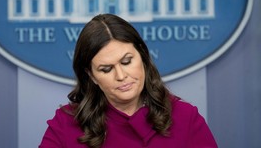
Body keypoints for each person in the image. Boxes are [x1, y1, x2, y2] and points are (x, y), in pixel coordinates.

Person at [39, 14, 218, 148]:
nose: (121, 75)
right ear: (91, 75)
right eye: (106, 69)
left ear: (142, 56)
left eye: (126, 61)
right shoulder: (65, 124)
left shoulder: (185, 117)